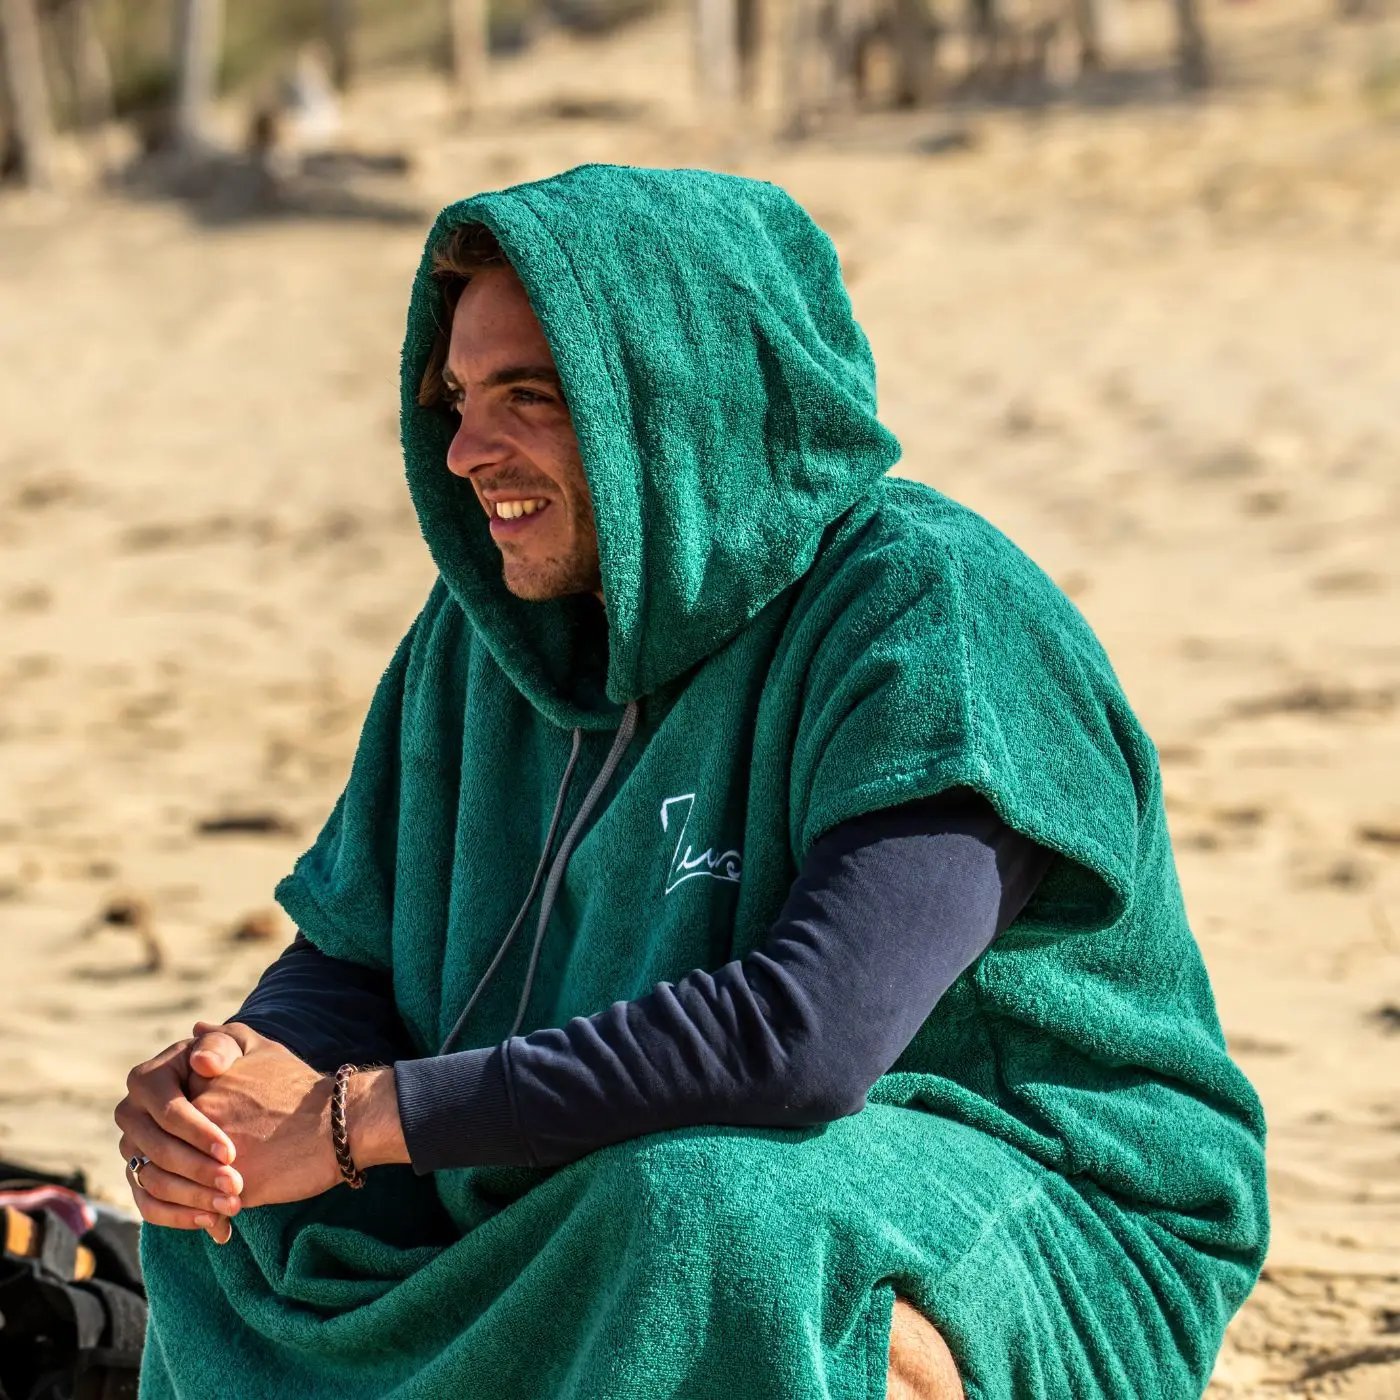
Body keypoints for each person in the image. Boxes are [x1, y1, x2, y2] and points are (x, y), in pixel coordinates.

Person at [115, 164, 1267, 1398]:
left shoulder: (931, 617)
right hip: (573, 1171)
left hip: (1033, 1198)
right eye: (454, 397)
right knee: (229, 1225)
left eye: (528, 395)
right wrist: (230, 1091)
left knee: (704, 1224)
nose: (462, 450)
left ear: (672, 399)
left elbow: (805, 1036)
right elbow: (352, 958)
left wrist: (356, 1117)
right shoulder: (479, 640)